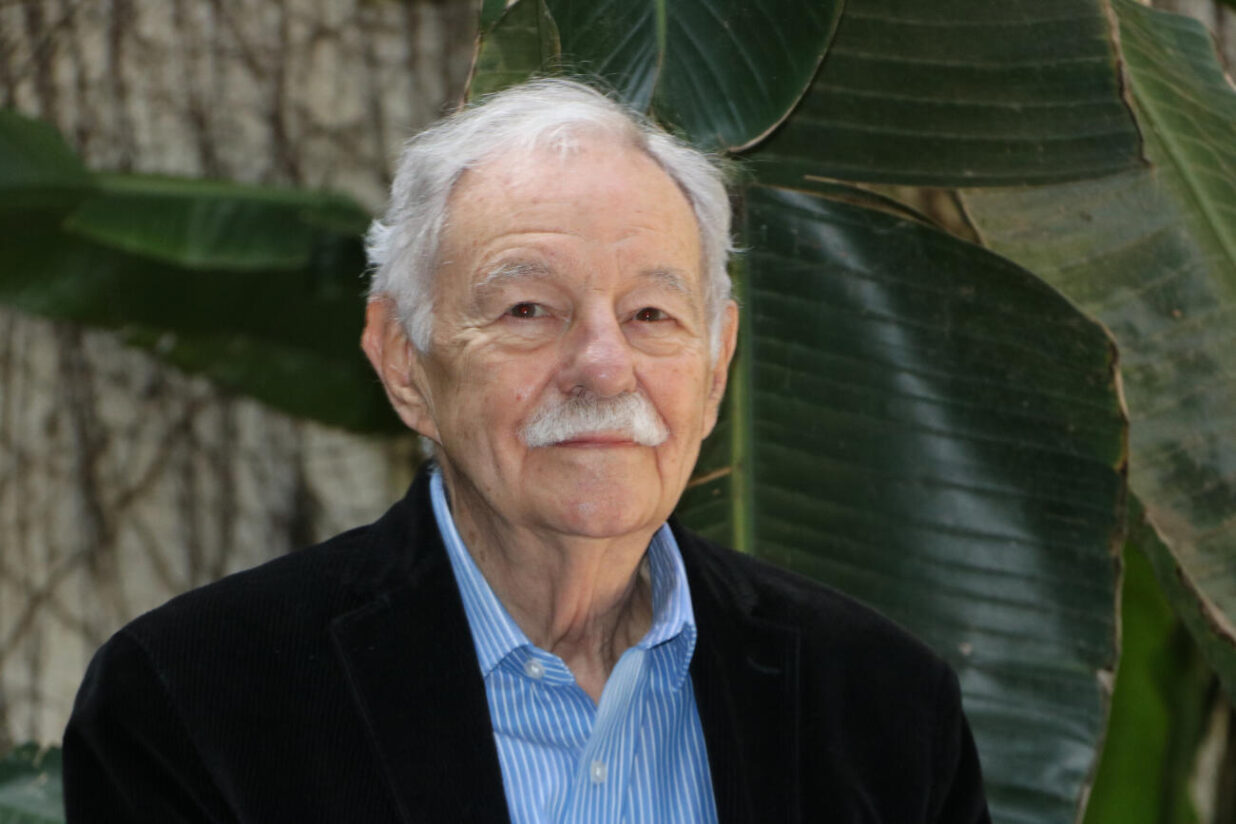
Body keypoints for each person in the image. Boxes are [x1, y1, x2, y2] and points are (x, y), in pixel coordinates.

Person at [63, 79, 990, 823]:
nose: (604, 367)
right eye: (528, 310)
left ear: (716, 369)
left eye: (651, 314)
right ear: (405, 364)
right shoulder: (196, 700)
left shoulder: (883, 708)